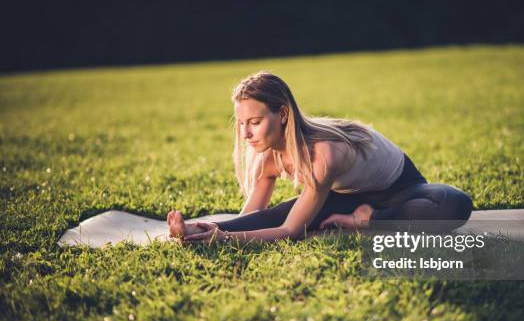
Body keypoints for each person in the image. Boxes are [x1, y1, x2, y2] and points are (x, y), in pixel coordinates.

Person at [167, 71, 472, 244]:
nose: (246, 134)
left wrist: (226, 240)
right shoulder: (266, 157)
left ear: (283, 114)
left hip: (403, 189)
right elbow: (258, 219)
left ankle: (368, 221)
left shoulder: (324, 153)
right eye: (242, 124)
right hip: (345, 197)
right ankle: (355, 217)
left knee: (455, 204)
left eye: (255, 122)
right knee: (287, 212)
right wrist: (206, 230)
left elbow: (291, 232)